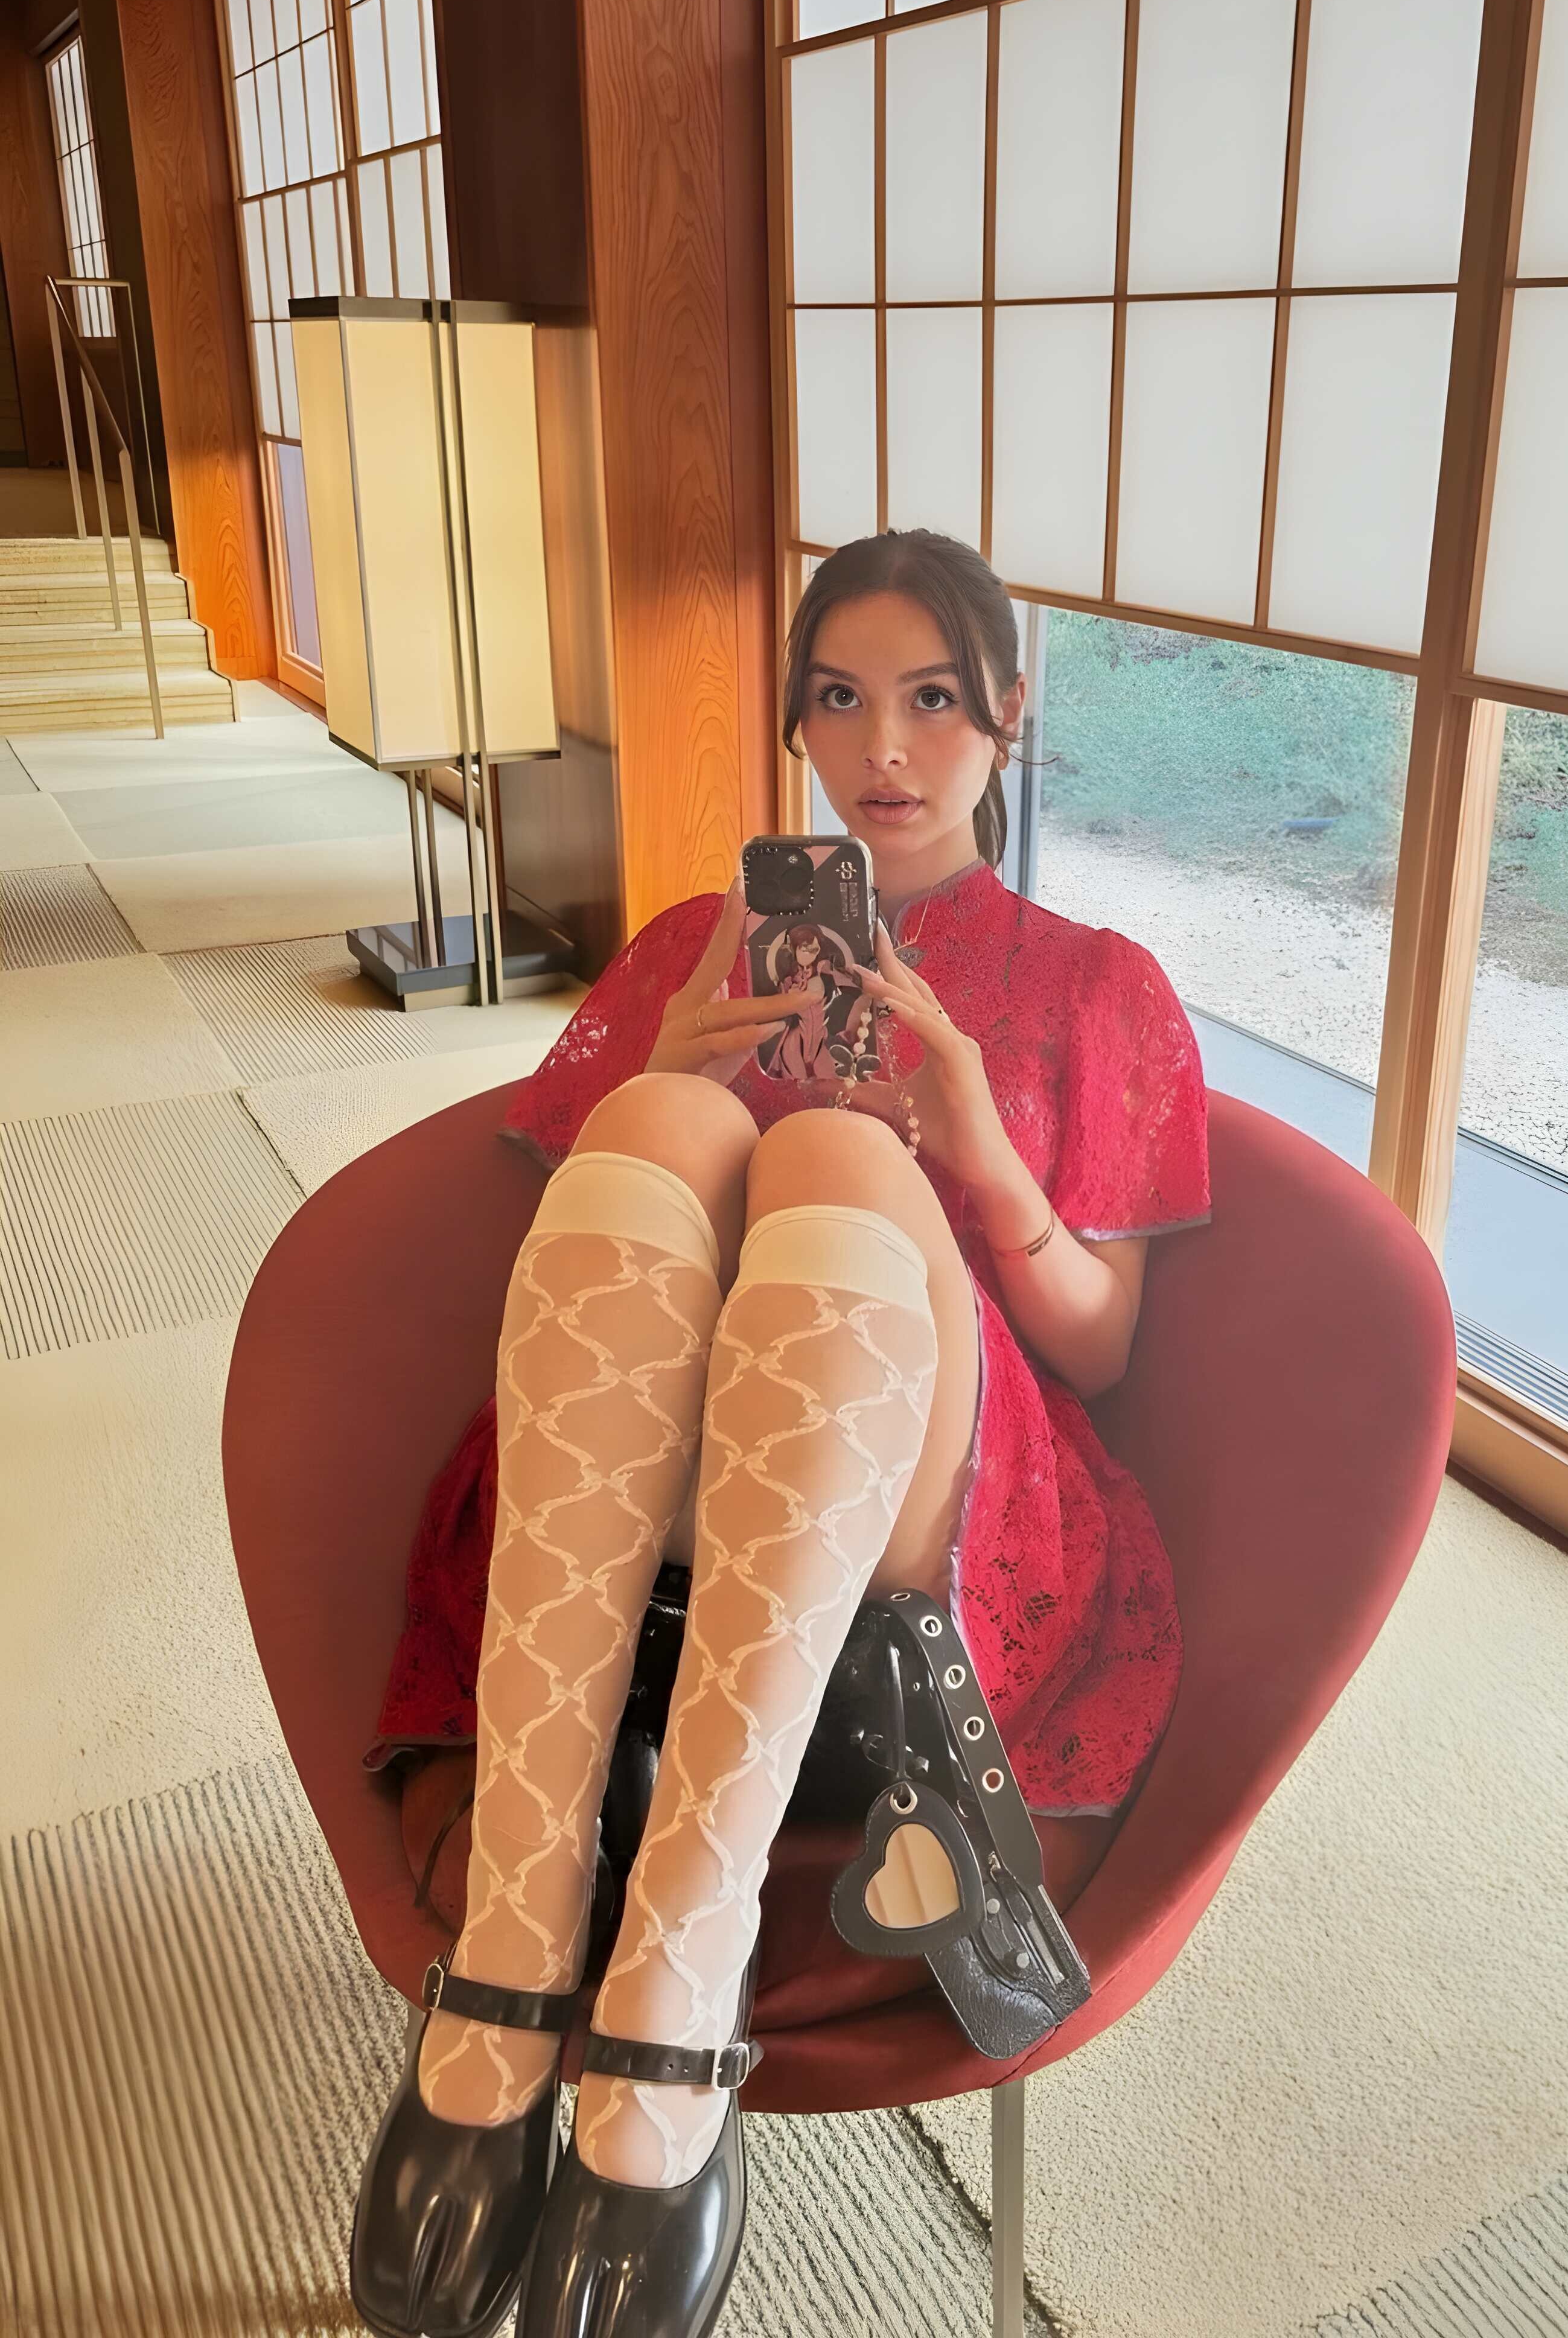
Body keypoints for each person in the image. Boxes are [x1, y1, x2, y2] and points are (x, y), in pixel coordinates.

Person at [350, 529, 1213, 2338]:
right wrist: (672, 1064)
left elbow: (1106, 1344)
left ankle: (672, 1978)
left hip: (932, 1504)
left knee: (834, 1152)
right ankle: (520, 1934)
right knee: (671, 1133)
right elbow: (563, 1276)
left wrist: (975, 1149)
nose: (883, 749)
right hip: (647, 1498)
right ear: (797, 723)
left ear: (1008, 712)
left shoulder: (1097, 985)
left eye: (932, 699)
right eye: (839, 698)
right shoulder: (697, 941)